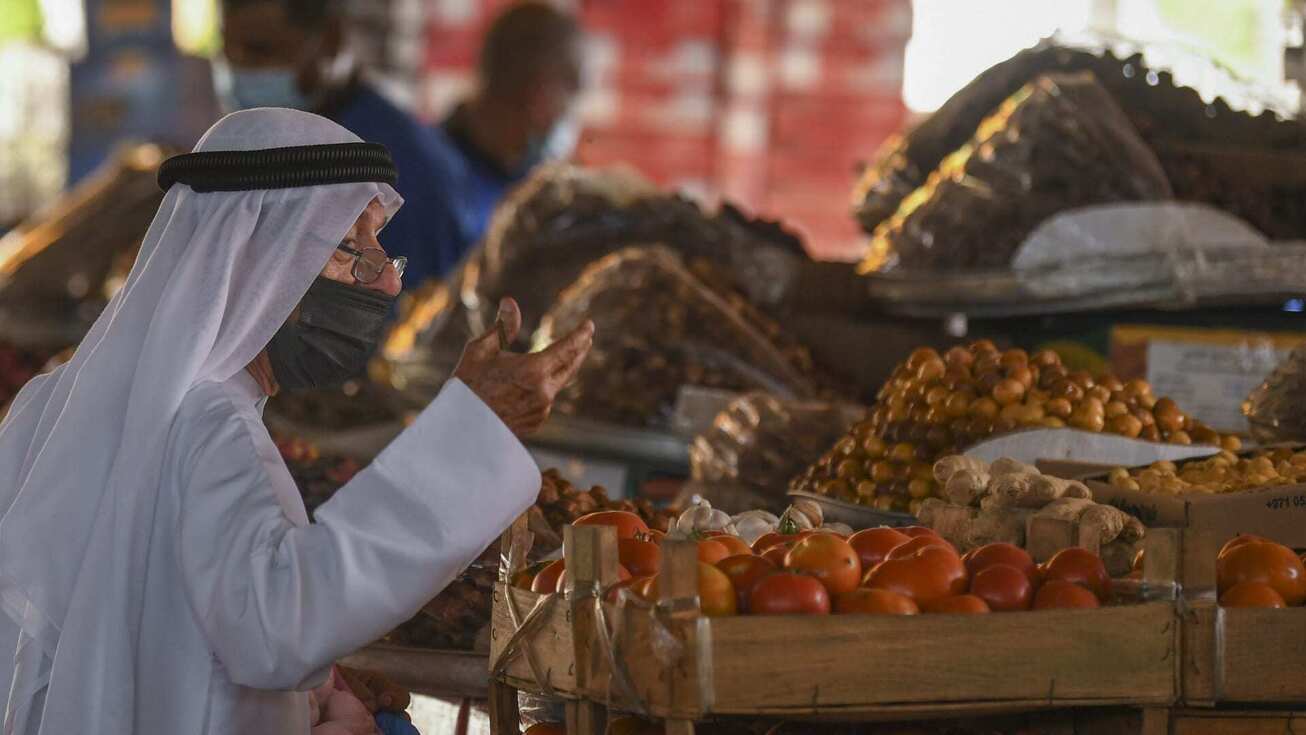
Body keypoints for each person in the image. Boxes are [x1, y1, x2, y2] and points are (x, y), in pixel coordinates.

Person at [0, 108, 594, 734]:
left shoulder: (54, 403)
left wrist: (316, 688)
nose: (385, 283)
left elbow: (161, 619)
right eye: (351, 248)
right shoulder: (208, 423)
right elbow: (276, 623)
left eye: (379, 249)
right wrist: (477, 430)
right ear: (259, 257)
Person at [217, 0, 584, 288]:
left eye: (260, 51)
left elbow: (411, 347)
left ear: (328, 40)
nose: (239, 71)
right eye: (227, 54)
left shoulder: (402, 169)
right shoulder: (269, 141)